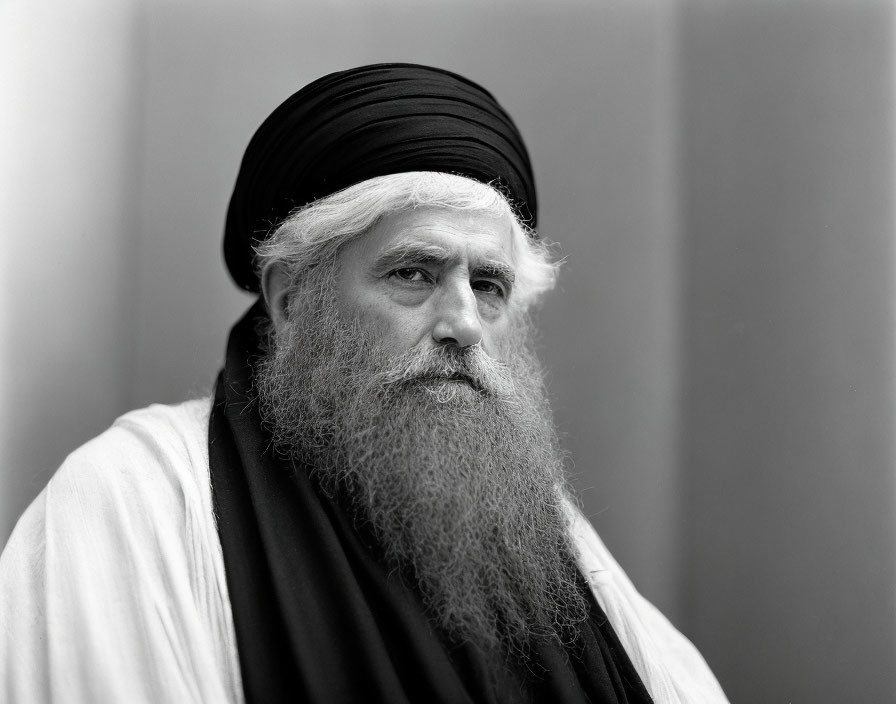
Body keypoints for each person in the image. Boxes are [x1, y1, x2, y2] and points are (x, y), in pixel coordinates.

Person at [0, 64, 728, 703]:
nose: (464, 324)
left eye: (489, 285)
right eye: (414, 273)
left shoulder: (547, 536)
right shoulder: (131, 499)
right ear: (290, 300)